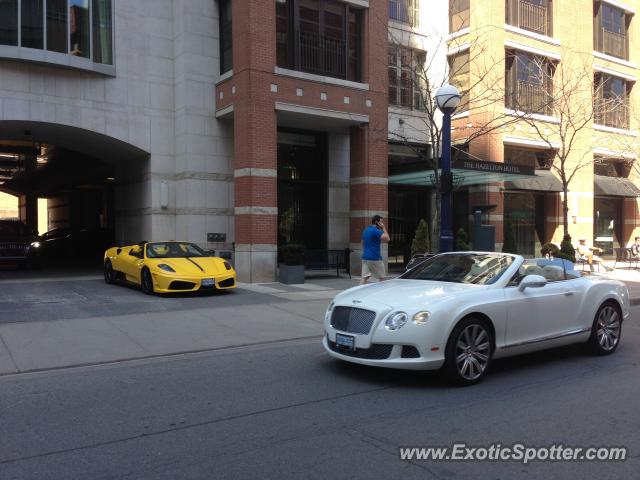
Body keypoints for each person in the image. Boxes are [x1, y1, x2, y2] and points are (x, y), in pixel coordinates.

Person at [360, 215, 390, 284]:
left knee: (364, 278)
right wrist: (384, 228)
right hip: (375, 258)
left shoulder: (366, 230)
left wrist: (366, 251)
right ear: (377, 222)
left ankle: (358, 293)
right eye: (381, 222)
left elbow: (362, 242)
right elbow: (388, 239)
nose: (382, 224)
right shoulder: (376, 231)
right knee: (382, 278)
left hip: (365, 257)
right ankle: (381, 294)